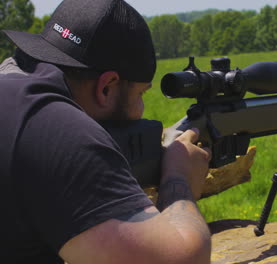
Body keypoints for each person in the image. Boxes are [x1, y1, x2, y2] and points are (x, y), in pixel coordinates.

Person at [0, 0, 212, 263]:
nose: (142, 109)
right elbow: (183, 260)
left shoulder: (12, 88)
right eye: (141, 93)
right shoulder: (61, 132)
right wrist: (179, 179)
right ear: (107, 87)